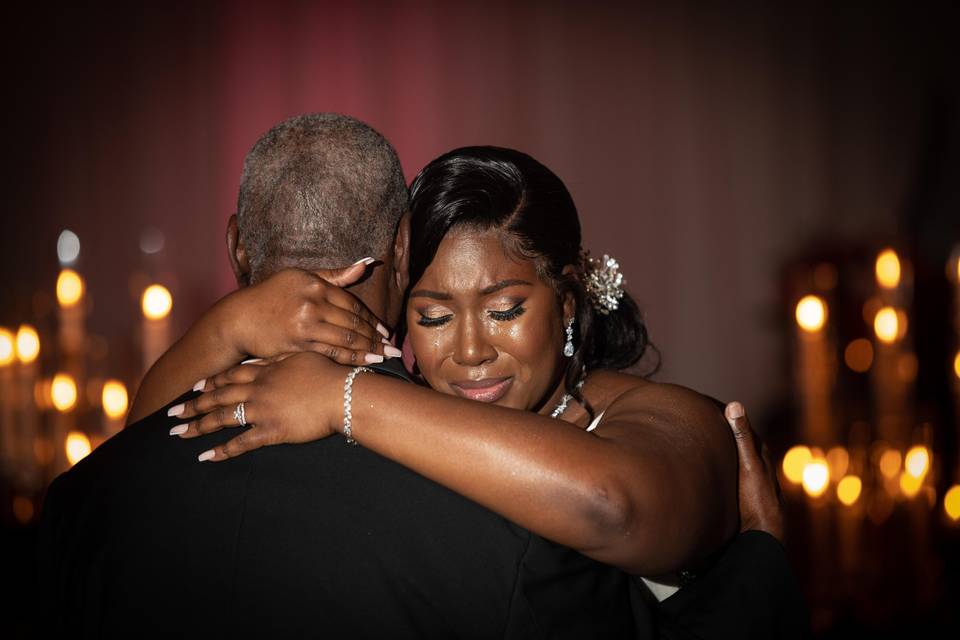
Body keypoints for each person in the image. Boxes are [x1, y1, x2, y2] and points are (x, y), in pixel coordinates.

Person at [41, 114, 805, 638]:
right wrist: (230, 326)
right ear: (402, 273)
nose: (469, 352)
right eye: (433, 318)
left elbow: (609, 505)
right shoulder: (475, 523)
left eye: (505, 308)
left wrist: (341, 396)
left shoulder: (668, 420)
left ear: (569, 295)